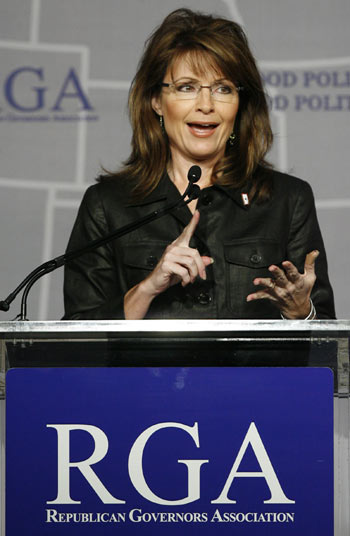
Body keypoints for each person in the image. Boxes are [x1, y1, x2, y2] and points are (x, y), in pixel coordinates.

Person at [63, 8, 335, 320]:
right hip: (144, 372)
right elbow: (77, 342)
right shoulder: (107, 205)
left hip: (254, 372)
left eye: (223, 88)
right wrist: (148, 287)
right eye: (187, 87)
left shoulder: (288, 200)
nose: (206, 105)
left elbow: (328, 347)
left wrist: (302, 311)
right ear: (156, 101)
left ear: (240, 103)